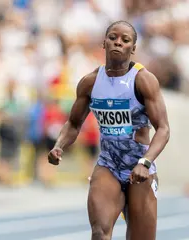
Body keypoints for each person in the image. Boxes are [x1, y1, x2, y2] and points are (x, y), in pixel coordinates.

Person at [48, 20, 170, 240]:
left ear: (133, 48)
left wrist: (146, 162)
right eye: (113, 37)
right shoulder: (90, 82)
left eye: (125, 40)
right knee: (99, 233)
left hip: (139, 166)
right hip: (108, 164)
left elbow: (163, 129)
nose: (118, 43)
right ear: (104, 43)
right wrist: (59, 145)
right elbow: (74, 123)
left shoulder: (143, 80)